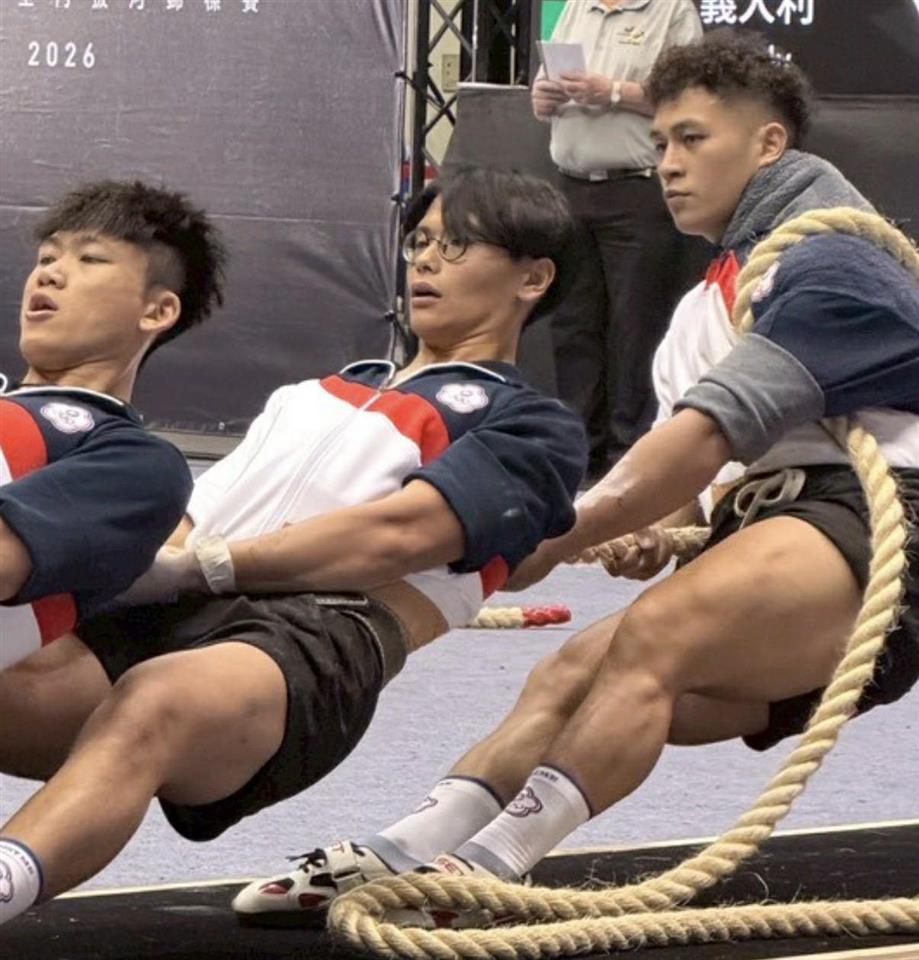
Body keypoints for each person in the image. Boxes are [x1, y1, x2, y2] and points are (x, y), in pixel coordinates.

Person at [233, 30, 919, 929]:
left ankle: (484, 874)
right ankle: (402, 851)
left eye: (692, 139)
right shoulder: (713, 291)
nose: (667, 163)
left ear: (768, 145)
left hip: (882, 532)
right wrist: (658, 528)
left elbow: (702, 436)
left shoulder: (830, 259)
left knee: (655, 640)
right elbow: (704, 471)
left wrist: (562, 536)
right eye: (660, 141)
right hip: (782, 536)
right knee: (567, 674)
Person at [0, 167, 587, 927]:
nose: (425, 261)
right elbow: (189, 516)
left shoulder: (532, 425)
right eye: (420, 242)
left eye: (458, 245)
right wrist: (165, 562)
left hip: (314, 635)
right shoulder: (311, 395)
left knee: (154, 702)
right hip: (173, 606)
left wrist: (210, 565)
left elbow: (398, 535)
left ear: (532, 278)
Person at [0, 179, 226, 671]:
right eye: (46, 257)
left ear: (157, 310)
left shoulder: (138, 465)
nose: (49, 274)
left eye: (90, 259)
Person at [533, 0, 705, 481]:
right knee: (573, 325)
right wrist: (544, 98)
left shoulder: (671, 11)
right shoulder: (577, 7)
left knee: (635, 327)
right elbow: (545, 93)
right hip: (570, 185)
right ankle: (577, 453)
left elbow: (688, 99)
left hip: (638, 188)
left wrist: (611, 92)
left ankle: (628, 458)